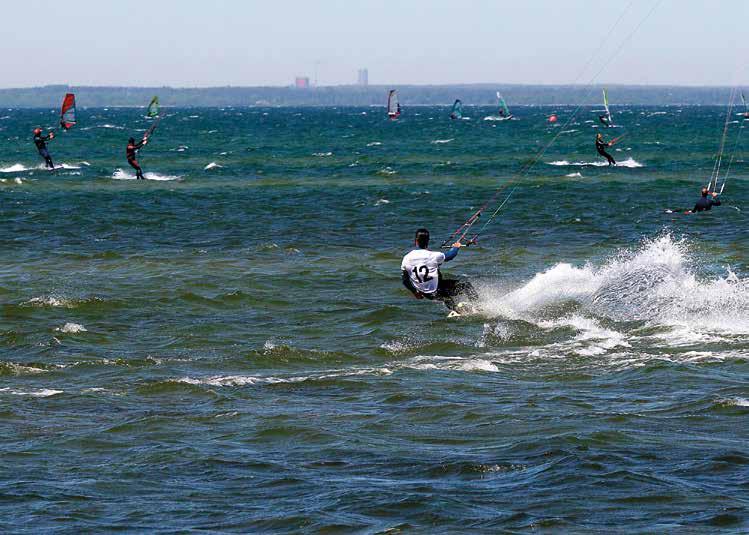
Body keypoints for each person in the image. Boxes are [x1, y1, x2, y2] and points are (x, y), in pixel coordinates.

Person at [401, 228, 478, 312]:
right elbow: (450, 255)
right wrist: (456, 247)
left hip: (426, 293)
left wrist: (415, 292)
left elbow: (405, 281)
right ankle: (477, 306)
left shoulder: (406, 258)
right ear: (428, 241)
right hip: (437, 289)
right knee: (466, 286)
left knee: (446, 298)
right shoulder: (434, 255)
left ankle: (456, 310)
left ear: (416, 241)